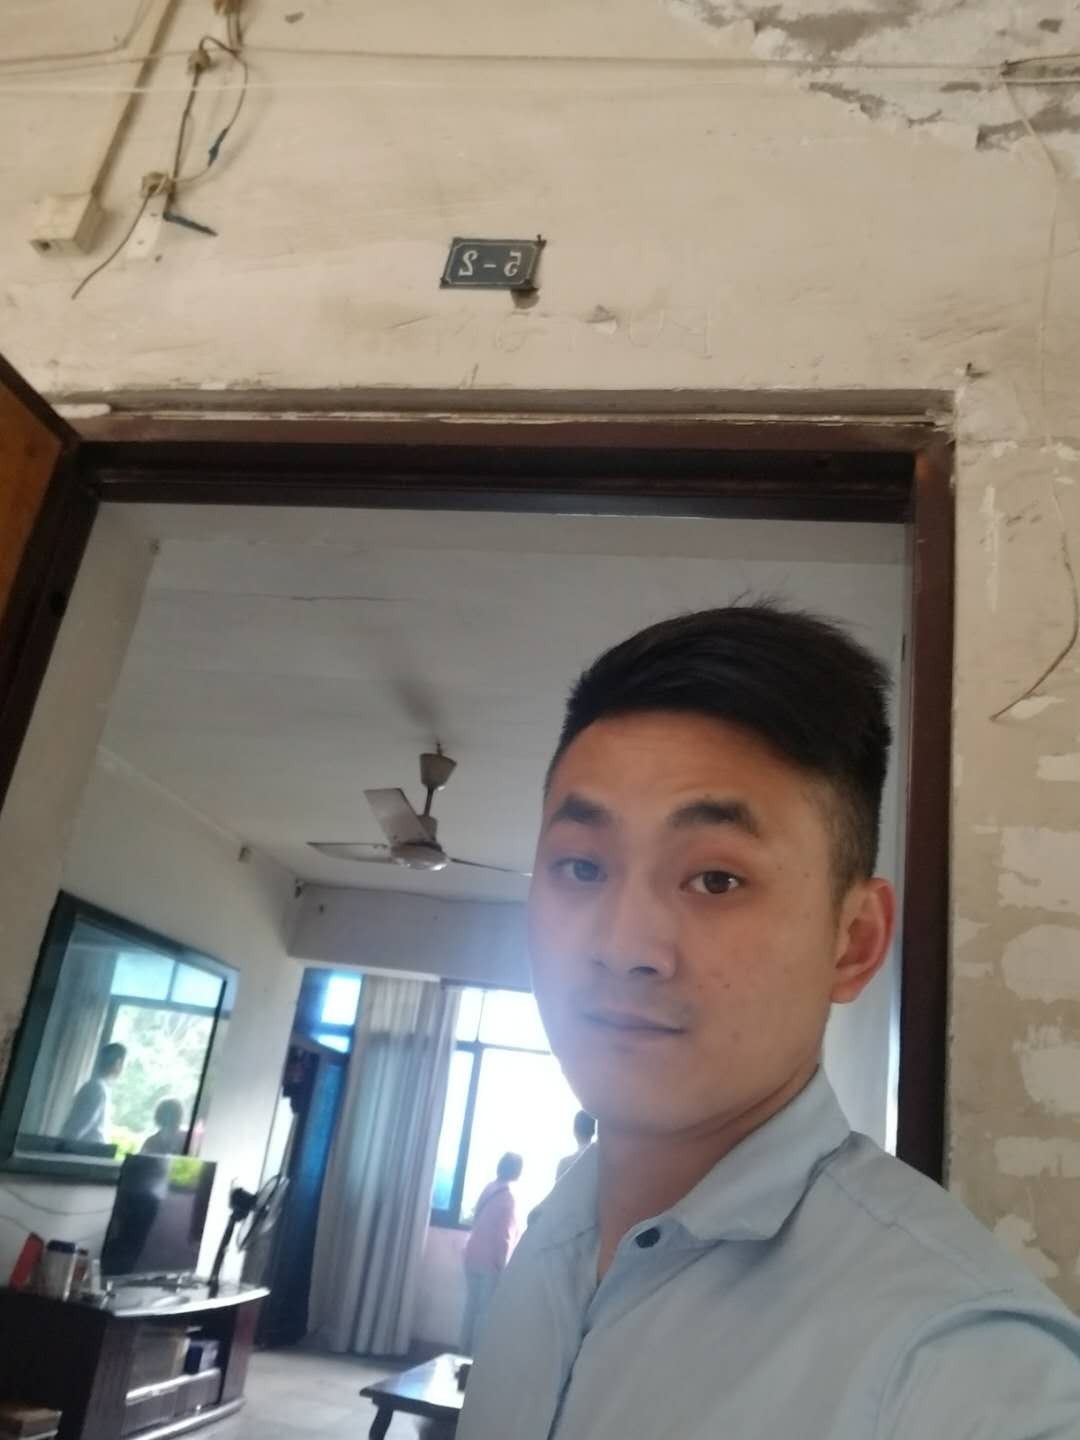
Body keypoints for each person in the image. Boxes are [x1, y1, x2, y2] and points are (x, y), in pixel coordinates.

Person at [458, 605, 1080, 1439]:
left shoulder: (958, 1365)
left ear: (853, 943)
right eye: (580, 866)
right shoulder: (552, 1235)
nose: (624, 947)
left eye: (715, 880)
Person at [461, 1152, 523, 1354]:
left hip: (471, 1255)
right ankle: (475, 1359)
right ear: (517, 1171)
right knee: (484, 1314)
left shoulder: (489, 1188)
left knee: (470, 1309)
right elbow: (504, 1236)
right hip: (490, 1263)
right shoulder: (508, 1198)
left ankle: (461, 1353)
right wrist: (503, 1266)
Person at [60, 1041, 126, 1145]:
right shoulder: (96, 1089)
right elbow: (79, 1125)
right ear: (118, 1063)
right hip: (85, 1149)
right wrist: (64, 1148)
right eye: (123, 1063)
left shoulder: (99, 1087)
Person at [555, 1111, 596, 1182]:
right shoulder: (602, 1163)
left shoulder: (564, 1164)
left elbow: (559, 1189)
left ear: (574, 1131)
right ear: (593, 1131)